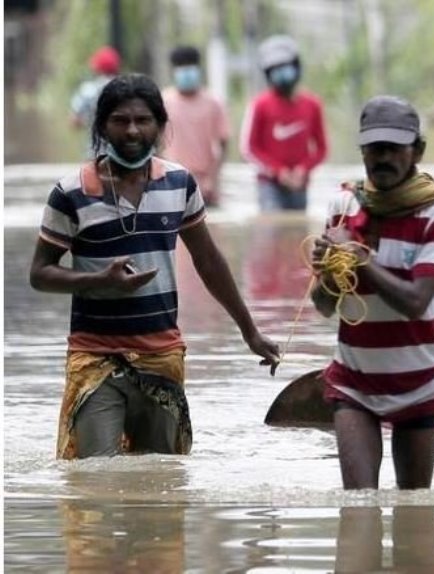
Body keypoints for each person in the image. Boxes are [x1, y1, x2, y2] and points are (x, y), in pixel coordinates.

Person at [29, 74, 280, 459]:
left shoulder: (179, 184)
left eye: (142, 120)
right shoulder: (71, 193)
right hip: (95, 355)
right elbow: (40, 273)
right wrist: (100, 280)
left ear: (160, 126)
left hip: (161, 355)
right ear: (102, 127)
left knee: (161, 478)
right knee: (94, 480)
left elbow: (208, 261)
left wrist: (250, 331)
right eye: (120, 120)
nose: (132, 130)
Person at [311, 95, 434, 489]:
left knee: (414, 506)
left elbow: (416, 302)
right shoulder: (344, 205)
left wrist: (360, 259)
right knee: (358, 506)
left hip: (418, 383)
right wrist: (328, 269)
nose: (383, 158)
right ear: (362, 151)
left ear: (417, 151)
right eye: (374, 148)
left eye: (394, 148)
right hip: (354, 381)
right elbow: (323, 305)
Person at [240, 35, 328, 211]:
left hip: (300, 185)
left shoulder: (312, 105)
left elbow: (322, 148)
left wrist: (303, 169)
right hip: (269, 185)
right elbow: (249, 148)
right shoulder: (259, 105)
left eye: (285, 67)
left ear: (296, 67)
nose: (281, 74)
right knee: (272, 225)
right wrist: (278, 171)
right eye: (275, 70)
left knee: (298, 228)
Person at [160, 45, 231, 207]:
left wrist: (213, 180)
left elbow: (223, 142)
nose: (186, 72)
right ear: (174, 71)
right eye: (181, 67)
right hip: (172, 181)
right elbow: (155, 143)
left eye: (190, 66)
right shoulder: (163, 102)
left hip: (206, 186)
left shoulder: (213, 102)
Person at [70, 46, 121, 154]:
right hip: (122, 153)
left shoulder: (87, 90)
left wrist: (90, 120)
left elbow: (75, 121)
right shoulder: (125, 89)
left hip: (95, 153)